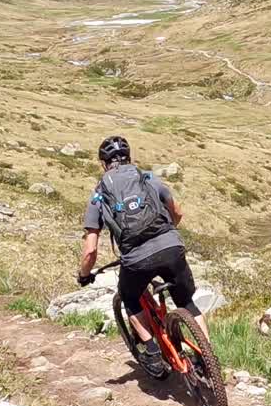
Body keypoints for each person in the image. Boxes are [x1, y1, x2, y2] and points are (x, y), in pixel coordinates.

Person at [77, 135, 207, 377]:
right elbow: (177, 212)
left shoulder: (99, 195)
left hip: (136, 259)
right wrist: (169, 235)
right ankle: (208, 360)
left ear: (103, 164)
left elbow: (91, 250)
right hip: (171, 247)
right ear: (129, 157)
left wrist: (84, 275)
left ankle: (152, 351)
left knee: (129, 297)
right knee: (187, 303)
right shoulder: (147, 178)